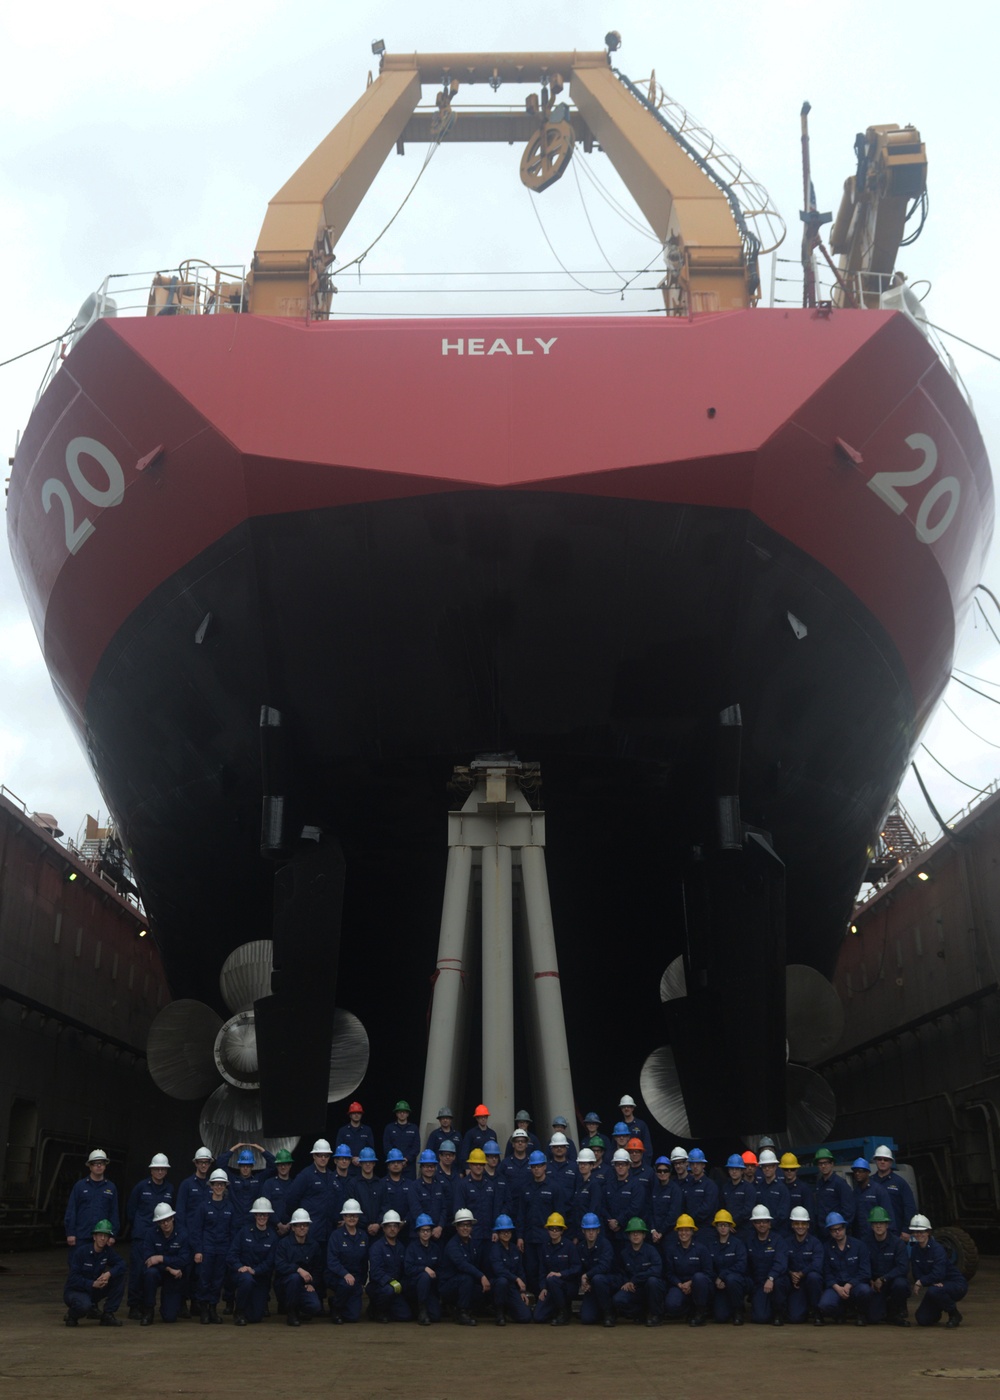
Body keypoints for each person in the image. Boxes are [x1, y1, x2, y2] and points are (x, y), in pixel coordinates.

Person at [126, 1153, 175, 1319]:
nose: (160, 1171)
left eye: (163, 1169)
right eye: (157, 1169)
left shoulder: (169, 1189)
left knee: (154, 1272)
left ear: (167, 1171)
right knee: (138, 1271)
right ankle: (134, 1305)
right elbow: (131, 1210)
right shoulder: (141, 1187)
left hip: (161, 1237)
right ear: (151, 1170)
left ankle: (150, 1305)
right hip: (142, 1236)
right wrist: (141, 1228)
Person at [516, 1152, 569, 1294]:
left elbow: (560, 1214)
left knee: (546, 1269)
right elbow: (521, 1214)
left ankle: (549, 1299)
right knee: (531, 1269)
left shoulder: (554, 1187)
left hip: (548, 1237)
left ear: (545, 1166)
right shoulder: (525, 1188)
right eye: (533, 1166)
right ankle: (536, 1300)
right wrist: (520, 1236)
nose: (536, 1169)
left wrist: (557, 1236)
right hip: (530, 1237)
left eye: (539, 1166)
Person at [192, 1169, 238, 1325]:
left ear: (225, 1186)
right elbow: (197, 1230)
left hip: (223, 1249)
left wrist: (231, 1252)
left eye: (221, 1184)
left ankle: (213, 1308)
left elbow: (233, 1231)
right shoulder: (203, 1207)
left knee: (218, 1280)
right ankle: (203, 1309)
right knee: (204, 1279)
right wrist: (198, 1250)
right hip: (207, 1249)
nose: (219, 1187)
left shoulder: (230, 1207)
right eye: (216, 1184)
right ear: (210, 1186)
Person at [226, 1197, 279, 1325]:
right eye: (259, 1214)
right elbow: (231, 1254)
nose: (262, 1217)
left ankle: (248, 1308)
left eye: (264, 1214)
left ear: (268, 1216)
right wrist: (240, 1267)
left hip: (260, 1277)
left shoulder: (272, 1237)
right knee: (246, 1280)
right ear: (255, 1215)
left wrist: (255, 1270)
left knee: (255, 1317)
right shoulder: (244, 1232)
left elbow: (270, 1262)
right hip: (242, 1274)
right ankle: (238, 1311)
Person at [63, 1218, 125, 1326]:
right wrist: (92, 1284)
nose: (102, 1238)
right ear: (94, 1237)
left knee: (119, 1276)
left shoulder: (107, 1252)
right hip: (77, 1290)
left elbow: (122, 1264)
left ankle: (108, 1314)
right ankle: (72, 1315)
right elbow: (73, 1279)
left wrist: (108, 1274)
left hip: (95, 1289)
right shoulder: (81, 1252)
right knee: (83, 1306)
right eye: (100, 1235)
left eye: (105, 1236)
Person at [910, 1213, 968, 1327]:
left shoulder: (938, 1249)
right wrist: (929, 1281)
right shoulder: (915, 1250)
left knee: (934, 1291)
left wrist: (921, 1282)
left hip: (956, 1285)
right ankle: (937, 1310)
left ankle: (954, 1314)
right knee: (922, 1319)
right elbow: (917, 1273)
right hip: (935, 1285)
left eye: (922, 1231)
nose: (918, 1234)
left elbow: (938, 1273)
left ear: (928, 1232)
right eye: (916, 1232)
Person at [817, 1211, 874, 1326]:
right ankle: (839, 1313)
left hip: (855, 1286)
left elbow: (865, 1272)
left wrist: (850, 1284)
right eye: (833, 1230)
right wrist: (837, 1288)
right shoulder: (826, 1248)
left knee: (865, 1291)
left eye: (839, 1228)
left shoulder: (859, 1246)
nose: (837, 1232)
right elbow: (826, 1273)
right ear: (830, 1232)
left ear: (845, 1228)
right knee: (825, 1305)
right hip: (835, 1287)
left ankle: (860, 1314)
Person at [140, 1201, 190, 1326]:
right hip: (161, 1272)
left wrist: (161, 1258)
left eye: (168, 1219)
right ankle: (148, 1310)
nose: (165, 1223)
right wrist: (168, 1267)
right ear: (157, 1222)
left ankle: (170, 1305)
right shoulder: (151, 1234)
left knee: (170, 1317)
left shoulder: (183, 1234)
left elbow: (184, 1260)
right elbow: (148, 1260)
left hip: (174, 1276)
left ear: (173, 1218)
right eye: (162, 1221)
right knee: (150, 1274)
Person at [64, 1148, 120, 1258]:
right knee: (77, 1267)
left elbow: (114, 1212)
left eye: (102, 1163)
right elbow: (72, 1210)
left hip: (102, 1237)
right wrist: (70, 1233)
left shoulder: (111, 1188)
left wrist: (113, 1234)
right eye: (95, 1164)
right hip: (81, 1236)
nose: (99, 1166)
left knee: (98, 1269)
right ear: (90, 1166)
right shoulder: (80, 1186)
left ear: (105, 1165)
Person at [440, 1207, 490, 1325]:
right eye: (462, 1225)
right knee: (467, 1278)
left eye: (468, 1225)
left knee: (481, 1289)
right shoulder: (452, 1245)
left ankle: (464, 1309)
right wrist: (482, 1276)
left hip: (464, 1285)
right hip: (448, 1287)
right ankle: (462, 1312)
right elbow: (463, 1265)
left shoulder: (473, 1243)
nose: (465, 1228)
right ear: (456, 1227)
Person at [285, 1140, 337, 1252]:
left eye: (326, 1155)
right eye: (320, 1155)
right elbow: (291, 1199)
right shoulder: (305, 1175)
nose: (323, 1158)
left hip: (328, 1232)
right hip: (310, 1232)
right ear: (314, 1156)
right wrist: (299, 1219)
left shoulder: (332, 1176)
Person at [275, 1208, 324, 1325]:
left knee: (315, 1307)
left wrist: (312, 1283)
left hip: (305, 1285)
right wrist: (298, 1269)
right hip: (285, 1284)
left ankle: (300, 1310)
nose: (302, 1228)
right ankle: (291, 1313)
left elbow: (318, 1268)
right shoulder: (284, 1244)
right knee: (294, 1278)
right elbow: (280, 1265)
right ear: (292, 1227)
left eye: (305, 1225)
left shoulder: (314, 1245)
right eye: (298, 1225)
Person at [866, 1206, 912, 1326]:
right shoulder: (865, 1243)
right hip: (875, 1284)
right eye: (875, 1223)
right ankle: (884, 1309)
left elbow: (903, 1267)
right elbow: (863, 1265)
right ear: (871, 1226)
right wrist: (869, 1279)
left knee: (901, 1284)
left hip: (892, 1281)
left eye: (882, 1223)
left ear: (887, 1225)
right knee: (873, 1318)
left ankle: (896, 1312)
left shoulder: (898, 1243)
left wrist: (884, 1279)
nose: (879, 1226)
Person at [615, 1217, 666, 1325]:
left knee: (653, 1281)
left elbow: (657, 1270)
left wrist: (635, 1279)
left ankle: (656, 1315)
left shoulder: (651, 1251)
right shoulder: (624, 1253)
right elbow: (620, 1272)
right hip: (634, 1289)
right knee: (618, 1299)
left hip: (650, 1289)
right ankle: (639, 1312)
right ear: (628, 1236)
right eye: (632, 1233)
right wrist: (626, 1281)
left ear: (644, 1235)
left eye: (638, 1232)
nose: (635, 1235)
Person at [325, 1198, 369, 1323]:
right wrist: (345, 1274)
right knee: (346, 1284)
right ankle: (336, 1309)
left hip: (355, 1278)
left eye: (354, 1215)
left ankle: (337, 1302)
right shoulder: (336, 1236)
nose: (352, 1218)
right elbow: (332, 1261)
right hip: (337, 1277)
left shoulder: (363, 1236)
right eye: (349, 1216)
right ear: (343, 1217)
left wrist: (362, 1281)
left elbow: (364, 1261)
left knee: (353, 1317)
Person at [454, 1148, 500, 1265]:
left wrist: (495, 1230)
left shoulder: (490, 1185)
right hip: (471, 1236)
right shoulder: (462, 1185)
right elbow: (459, 1210)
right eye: (475, 1164)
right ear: (470, 1165)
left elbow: (495, 1209)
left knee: (488, 1267)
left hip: (488, 1235)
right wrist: (465, 1233)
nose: (478, 1167)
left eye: (481, 1164)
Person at [532, 1213, 581, 1326]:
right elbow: (542, 1270)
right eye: (551, 1229)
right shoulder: (544, 1247)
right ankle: (557, 1309)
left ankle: (563, 1313)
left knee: (552, 1279)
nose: (554, 1231)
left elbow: (577, 1268)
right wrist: (543, 1287)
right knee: (538, 1317)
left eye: (557, 1229)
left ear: (562, 1231)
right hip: (551, 1287)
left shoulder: (569, 1246)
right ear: (548, 1230)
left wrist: (561, 1274)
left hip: (568, 1286)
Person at [663, 1213, 712, 1325]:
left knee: (699, 1277)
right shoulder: (671, 1249)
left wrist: (690, 1283)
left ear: (692, 1231)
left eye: (687, 1230)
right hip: (679, 1285)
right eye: (681, 1230)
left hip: (698, 1286)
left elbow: (708, 1272)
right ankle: (689, 1310)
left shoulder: (701, 1249)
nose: (683, 1233)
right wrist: (680, 1284)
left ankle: (700, 1313)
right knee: (671, 1305)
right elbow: (669, 1273)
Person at [745, 1204, 789, 1325]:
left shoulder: (778, 1240)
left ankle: (779, 1314)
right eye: (758, 1222)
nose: (762, 1225)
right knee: (760, 1318)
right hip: (759, 1284)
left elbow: (781, 1262)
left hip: (775, 1281)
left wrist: (771, 1277)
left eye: (765, 1221)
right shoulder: (749, 1241)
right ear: (754, 1224)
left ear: (769, 1223)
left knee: (780, 1283)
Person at [216, 1142, 277, 1224]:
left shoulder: (259, 1179)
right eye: (242, 1165)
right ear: (238, 1165)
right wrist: (234, 1148)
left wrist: (260, 1149)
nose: (245, 1168)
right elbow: (220, 1163)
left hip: (253, 1221)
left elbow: (273, 1165)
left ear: (252, 1166)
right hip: (235, 1222)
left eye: (248, 1165)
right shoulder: (232, 1179)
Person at [367, 1209, 411, 1321]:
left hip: (396, 1288)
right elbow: (375, 1272)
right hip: (380, 1286)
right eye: (389, 1226)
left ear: (399, 1228)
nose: (392, 1229)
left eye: (395, 1226)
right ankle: (377, 1310)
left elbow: (404, 1269)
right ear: (384, 1228)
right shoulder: (377, 1247)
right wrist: (390, 1281)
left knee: (405, 1316)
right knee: (388, 1290)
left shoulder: (401, 1247)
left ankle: (386, 1309)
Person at [488, 1214, 532, 1324]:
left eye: (508, 1231)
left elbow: (520, 1270)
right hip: (498, 1286)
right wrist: (516, 1279)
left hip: (512, 1288)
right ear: (498, 1233)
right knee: (502, 1281)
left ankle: (509, 1311)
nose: (506, 1234)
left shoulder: (514, 1249)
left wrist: (522, 1291)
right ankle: (499, 1313)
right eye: (503, 1232)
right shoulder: (494, 1249)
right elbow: (499, 1270)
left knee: (525, 1317)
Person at [707, 1209, 748, 1325]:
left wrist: (722, 1276)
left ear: (730, 1226)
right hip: (718, 1285)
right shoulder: (711, 1245)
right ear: (716, 1227)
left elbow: (741, 1265)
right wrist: (716, 1279)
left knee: (732, 1279)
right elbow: (709, 1266)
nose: (723, 1228)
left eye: (725, 1225)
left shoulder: (738, 1244)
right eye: (720, 1225)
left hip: (735, 1283)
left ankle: (738, 1311)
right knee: (720, 1318)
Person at [577, 1212, 619, 1327]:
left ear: (598, 1230)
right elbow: (578, 1267)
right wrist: (584, 1282)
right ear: (583, 1231)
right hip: (592, 1285)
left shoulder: (605, 1245)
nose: (591, 1233)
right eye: (588, 1230)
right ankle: (599, 1310)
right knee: (586, 1319)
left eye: (593, 1229)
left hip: (609, 1282)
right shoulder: (581, 1247)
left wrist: (586, 1276)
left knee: (598, 1278)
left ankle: (609, 1313)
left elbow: (604, 1267)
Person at [604, 1148, 648, 1256]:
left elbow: (635, 1208)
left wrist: (618, 1221)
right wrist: (610, 1221)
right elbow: (603, 1205)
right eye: (617, 1164)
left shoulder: (636, 1186)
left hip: (628, 1234)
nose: (620, 1167)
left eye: (623, 1164)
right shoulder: (608, 1185)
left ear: (629, 1165)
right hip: (611, 1233)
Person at [786, 1205, 824, 1324]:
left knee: (814, 1277)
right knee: (795, 1318)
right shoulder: (786, 1242)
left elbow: (817, 1264)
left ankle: (817, 1311)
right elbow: (781, 1262)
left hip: (809, 1281)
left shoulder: (815, 1243)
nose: (800, 1227)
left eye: (803, 1224)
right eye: (797, 1223)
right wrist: (791, 1273)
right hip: (795, 1283)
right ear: (792, 1225)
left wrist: (801, 1274)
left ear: (808, 1225)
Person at [404, 1213, 444, 1325]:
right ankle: (422, 1310)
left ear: (431, 1232)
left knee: (436, 1317)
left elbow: (440, 1267)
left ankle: (422, 1308)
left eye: (428, 1230)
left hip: (430, 1288)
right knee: (424, 1276)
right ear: (418, 1232)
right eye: (422, 1230)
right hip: (414, 1286)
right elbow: (408, 1269)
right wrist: (424, 1268)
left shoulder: (435, 1248)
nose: (425, 1233)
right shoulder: (412, 1248)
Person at [871, 1146, 918, 1242]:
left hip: (896, 1233)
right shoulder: (870, 1182)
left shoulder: (900, 1183)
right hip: (873, 1234)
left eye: (886, 1159)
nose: (882, 1162)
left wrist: (906, 1230)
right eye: (879, 1159)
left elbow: (910, 1207)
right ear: (875, 1161)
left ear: (891, 1162)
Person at [813, 1149, 855, 1237]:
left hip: (837, 1232)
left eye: (826, 1163)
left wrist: (841, 1230)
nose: (823, 1166)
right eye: (820, 1164)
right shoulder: (819, 1184)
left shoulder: (840, 1184)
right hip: (823, 1231)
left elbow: (848, 1210)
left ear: (832, 1164)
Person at [410, 1149, 450, 1236]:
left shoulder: (439, 1186)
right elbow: (416, 1211)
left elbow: (444, 1209)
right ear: (421, 1167)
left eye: (432, 1166)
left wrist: (440, 1227)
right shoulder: (414, 1186)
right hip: (421, 1233)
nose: (429, 1169)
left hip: (438, 1233)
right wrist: (428, 1229)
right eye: (426, 1166)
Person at [850, 1158, 892, 1237]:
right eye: (855, 1171)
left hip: (876, 1236)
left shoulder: (878, 1190)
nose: (857, 1174)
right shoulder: (855, 1192)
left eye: (860, 1171)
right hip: (859, 1236)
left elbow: (888, 1214)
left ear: (868, 1172)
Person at [649, 1156, 683, 1248]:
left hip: (670, 1235)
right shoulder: (653, 1188)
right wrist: (653, 1230)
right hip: (654, 1235)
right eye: (659, 1171)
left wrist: (661, 1232)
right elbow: (650, 1211)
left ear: (670, 1171)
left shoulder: (675, 1190)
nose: (662, 1173)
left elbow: (673, 1214)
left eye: (665, 1170)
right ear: (656, 1172)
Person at [722, 1153, 757, 1240]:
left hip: (745, 1230)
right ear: (728, 1170)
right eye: (732, 1169)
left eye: (737, 1169)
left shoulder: (749, 1188)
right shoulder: (725, 1188)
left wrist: (732, 1222)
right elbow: (722, 1207)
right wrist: (726, 1223)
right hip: (728, 1230)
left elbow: (748, 1210)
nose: (734, 1171)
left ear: (742, 1171)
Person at [755, 1151, 791, 1236]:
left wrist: (769, 1225)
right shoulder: (758, 1188)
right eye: (764, 1166)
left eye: (770, 1166)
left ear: (775, 1167)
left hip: (779, 1232)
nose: (767, 1169)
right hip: (761, 1232)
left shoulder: (782, 1188)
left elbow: (783, 1213)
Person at [383, 1101, 421, 1178]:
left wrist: (407, 1159)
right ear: (396, 1113)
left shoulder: (414, 1128)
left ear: (408, 1114)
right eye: (400, 1112)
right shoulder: (389, 1128)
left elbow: (416, 1147)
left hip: (409, 1167)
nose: (402, 1114)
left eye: (404, 1112)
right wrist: (396, 1160)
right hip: (393, 1166)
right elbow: (386, 1146)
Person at [261, 1148, 296, 1232]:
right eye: (280, 1164)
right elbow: (265, 1206)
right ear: (276, 1165)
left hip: (291, 1230)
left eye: (285, 1164)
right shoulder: (269, 1184)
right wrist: (278, 1224)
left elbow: (298, 1206)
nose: (283, 1167)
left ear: (290, 1165)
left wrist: (289, 1225)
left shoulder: (295, 1184)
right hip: (271, 1230)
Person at [334, 1101, 375, 1167]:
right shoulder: (343, 1131)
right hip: (346, 1167)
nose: (356, 1115)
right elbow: (338, 1150)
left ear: (361, 1114)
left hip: (363, 1166)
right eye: (354, 1113)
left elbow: (371, 1149)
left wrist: (361, 1159)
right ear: (350, 1115)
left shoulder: (367, 1130)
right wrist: (351, 1159)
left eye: (358, 1113)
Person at [781, 1153, 815, 1226]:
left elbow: (810, 1213)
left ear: (797, 1170)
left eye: (792, 1169)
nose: (789, 1171)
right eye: (786, 1169)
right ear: (782, 1170)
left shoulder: (804, 1189)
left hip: (800, 1229)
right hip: (783, 1230)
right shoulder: (779, 1187)